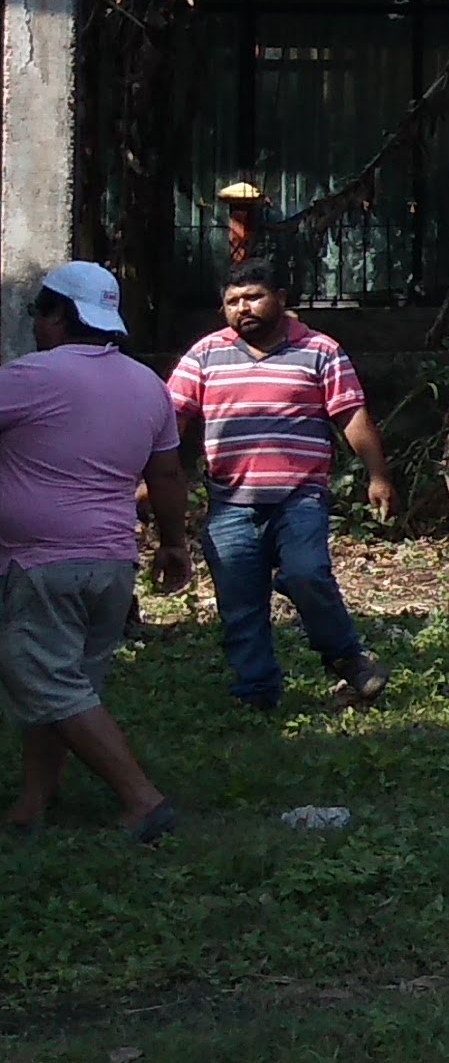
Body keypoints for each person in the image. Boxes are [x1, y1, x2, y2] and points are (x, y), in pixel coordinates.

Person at [0, 263, 190, 841]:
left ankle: (142, 799)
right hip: (111, 564)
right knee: (69, 683)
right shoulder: (145, 384)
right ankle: (32, 805)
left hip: (39, 562)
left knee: (46, 682)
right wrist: (174, 543)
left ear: (59, 315)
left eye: (39, 310)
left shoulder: (29, 377)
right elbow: (167, 473)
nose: (34, 322)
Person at [166, 261, 396, 714]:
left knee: (308, 573)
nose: (242, 308)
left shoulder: (320, 350)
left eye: (253, 297)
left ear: (282, 298)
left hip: (300, 497)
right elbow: (170, 420)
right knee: (240, 602)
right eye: (232, 302)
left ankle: (347, 656)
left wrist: (378, 474)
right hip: (230, 502)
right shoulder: (205, 355)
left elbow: (351, 416)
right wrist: (148, 475)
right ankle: (256, 693)